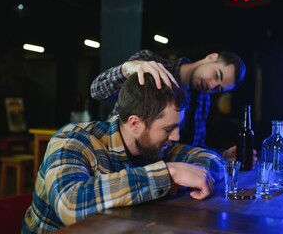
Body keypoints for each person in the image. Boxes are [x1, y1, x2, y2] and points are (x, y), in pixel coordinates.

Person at [22, 73, 227, 233]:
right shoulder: (73, 139)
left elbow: (214, 162)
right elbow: (70, 205)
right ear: (135, 123)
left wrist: (186, 174)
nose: (176, 136)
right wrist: (168, 174)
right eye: (168, 129)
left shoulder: (156, 146)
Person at [90, 49, 246, 149]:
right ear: (211, 57)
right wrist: (126, 69)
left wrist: (222, 156)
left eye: (217, 88)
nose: (211, 85)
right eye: (216, 75)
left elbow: (196, 146)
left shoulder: (204, 99)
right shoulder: (151, 64)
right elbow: (97, 91)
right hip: (114, 152)